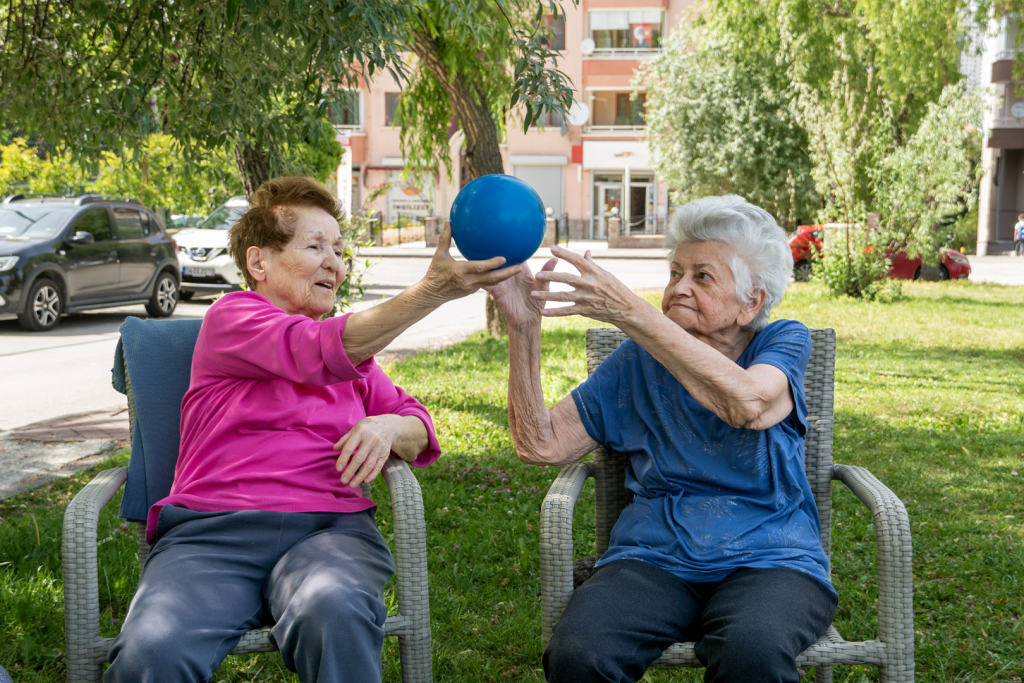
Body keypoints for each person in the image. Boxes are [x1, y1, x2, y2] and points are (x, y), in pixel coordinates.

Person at [106, 176, 521, 683]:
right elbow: (319, 349)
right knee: (153, 653)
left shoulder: (356, 358)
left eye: (339, 250)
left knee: (337, 612)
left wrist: (388, 426)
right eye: (315, 246)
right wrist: (432, 292)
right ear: (259, 262)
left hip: (330, 532)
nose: (335, 262)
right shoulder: (233, 316)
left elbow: (420, 430)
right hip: (214, 534)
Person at [488, 195, 836, 683]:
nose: (679, 287)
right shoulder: (637, 360)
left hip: (770, 558)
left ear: (751, 303)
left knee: (750, 654)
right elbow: (539, 444)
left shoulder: (780, 341)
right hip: (654, 557)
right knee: (579, 653)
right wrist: (523, 328)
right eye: (676, 273)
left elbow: (749, 404)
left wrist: (629, 312)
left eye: (702, 276)